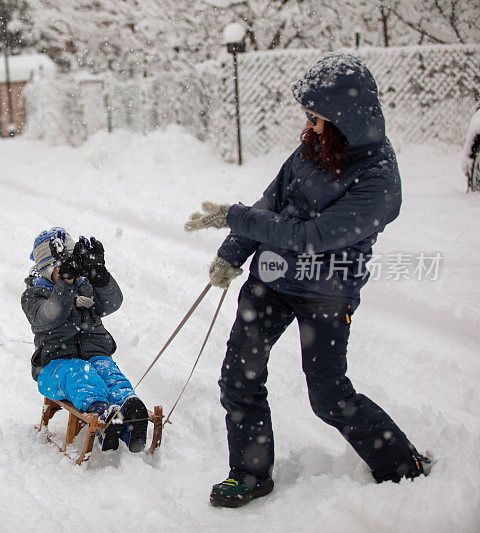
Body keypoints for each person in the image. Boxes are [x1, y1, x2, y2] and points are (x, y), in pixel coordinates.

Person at [184, 52, 431, 508]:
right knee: (239, 379)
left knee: (329, 395)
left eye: (317, 118)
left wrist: (233, 217)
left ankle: (402, 464)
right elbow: (272, 200)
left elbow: (310, 237)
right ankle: (250, 473)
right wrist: (233, 250)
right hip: (271, 282)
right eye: (309, 117)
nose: (310, 127)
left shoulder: (379, 179)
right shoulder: (313, 149)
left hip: (326, 292)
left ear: (345, 118)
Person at [21, 227, 149, 452]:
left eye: (74, 266)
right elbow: (52, 315)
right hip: (54, 367)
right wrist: (66, 284)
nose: (71, 274)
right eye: (61, 269)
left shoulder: (85, 286)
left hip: (95, 355)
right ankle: (101, 417)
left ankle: (129, 414)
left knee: (109, 373)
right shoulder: (34, 295)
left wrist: (99, 276)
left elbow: (112, 303)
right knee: (80, 374)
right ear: (45, 270)